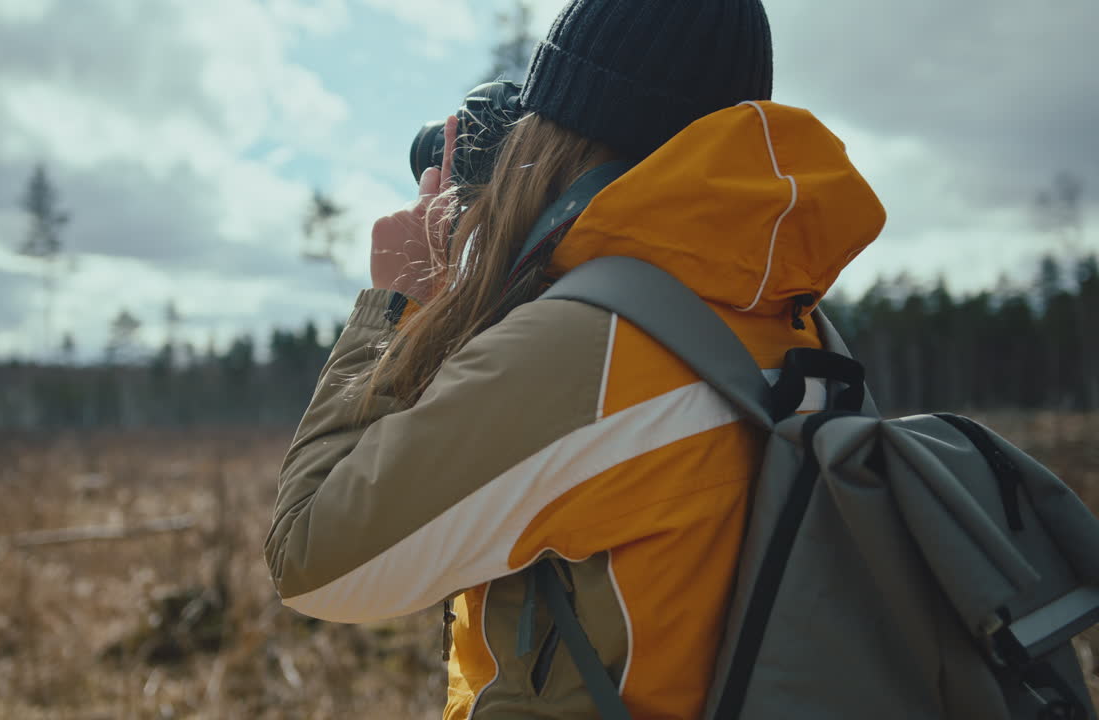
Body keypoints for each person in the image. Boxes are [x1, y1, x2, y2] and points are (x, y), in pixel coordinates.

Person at [265, 0, 887, 717]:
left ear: (564, 135)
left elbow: (311, 560)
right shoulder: (796, 327)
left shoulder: (587, 352)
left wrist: (394, 305)